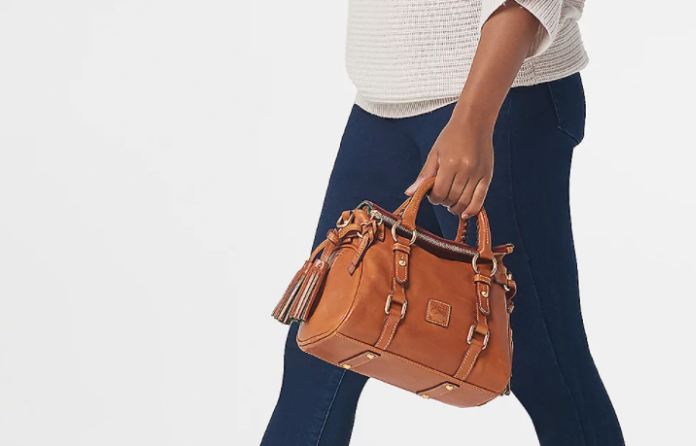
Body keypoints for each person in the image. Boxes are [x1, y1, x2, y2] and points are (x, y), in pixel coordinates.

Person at [262, 0, 625, 445]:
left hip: (497, 99)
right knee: (322, 344)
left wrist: (474, 119)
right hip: (383, 102)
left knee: (541, 363)